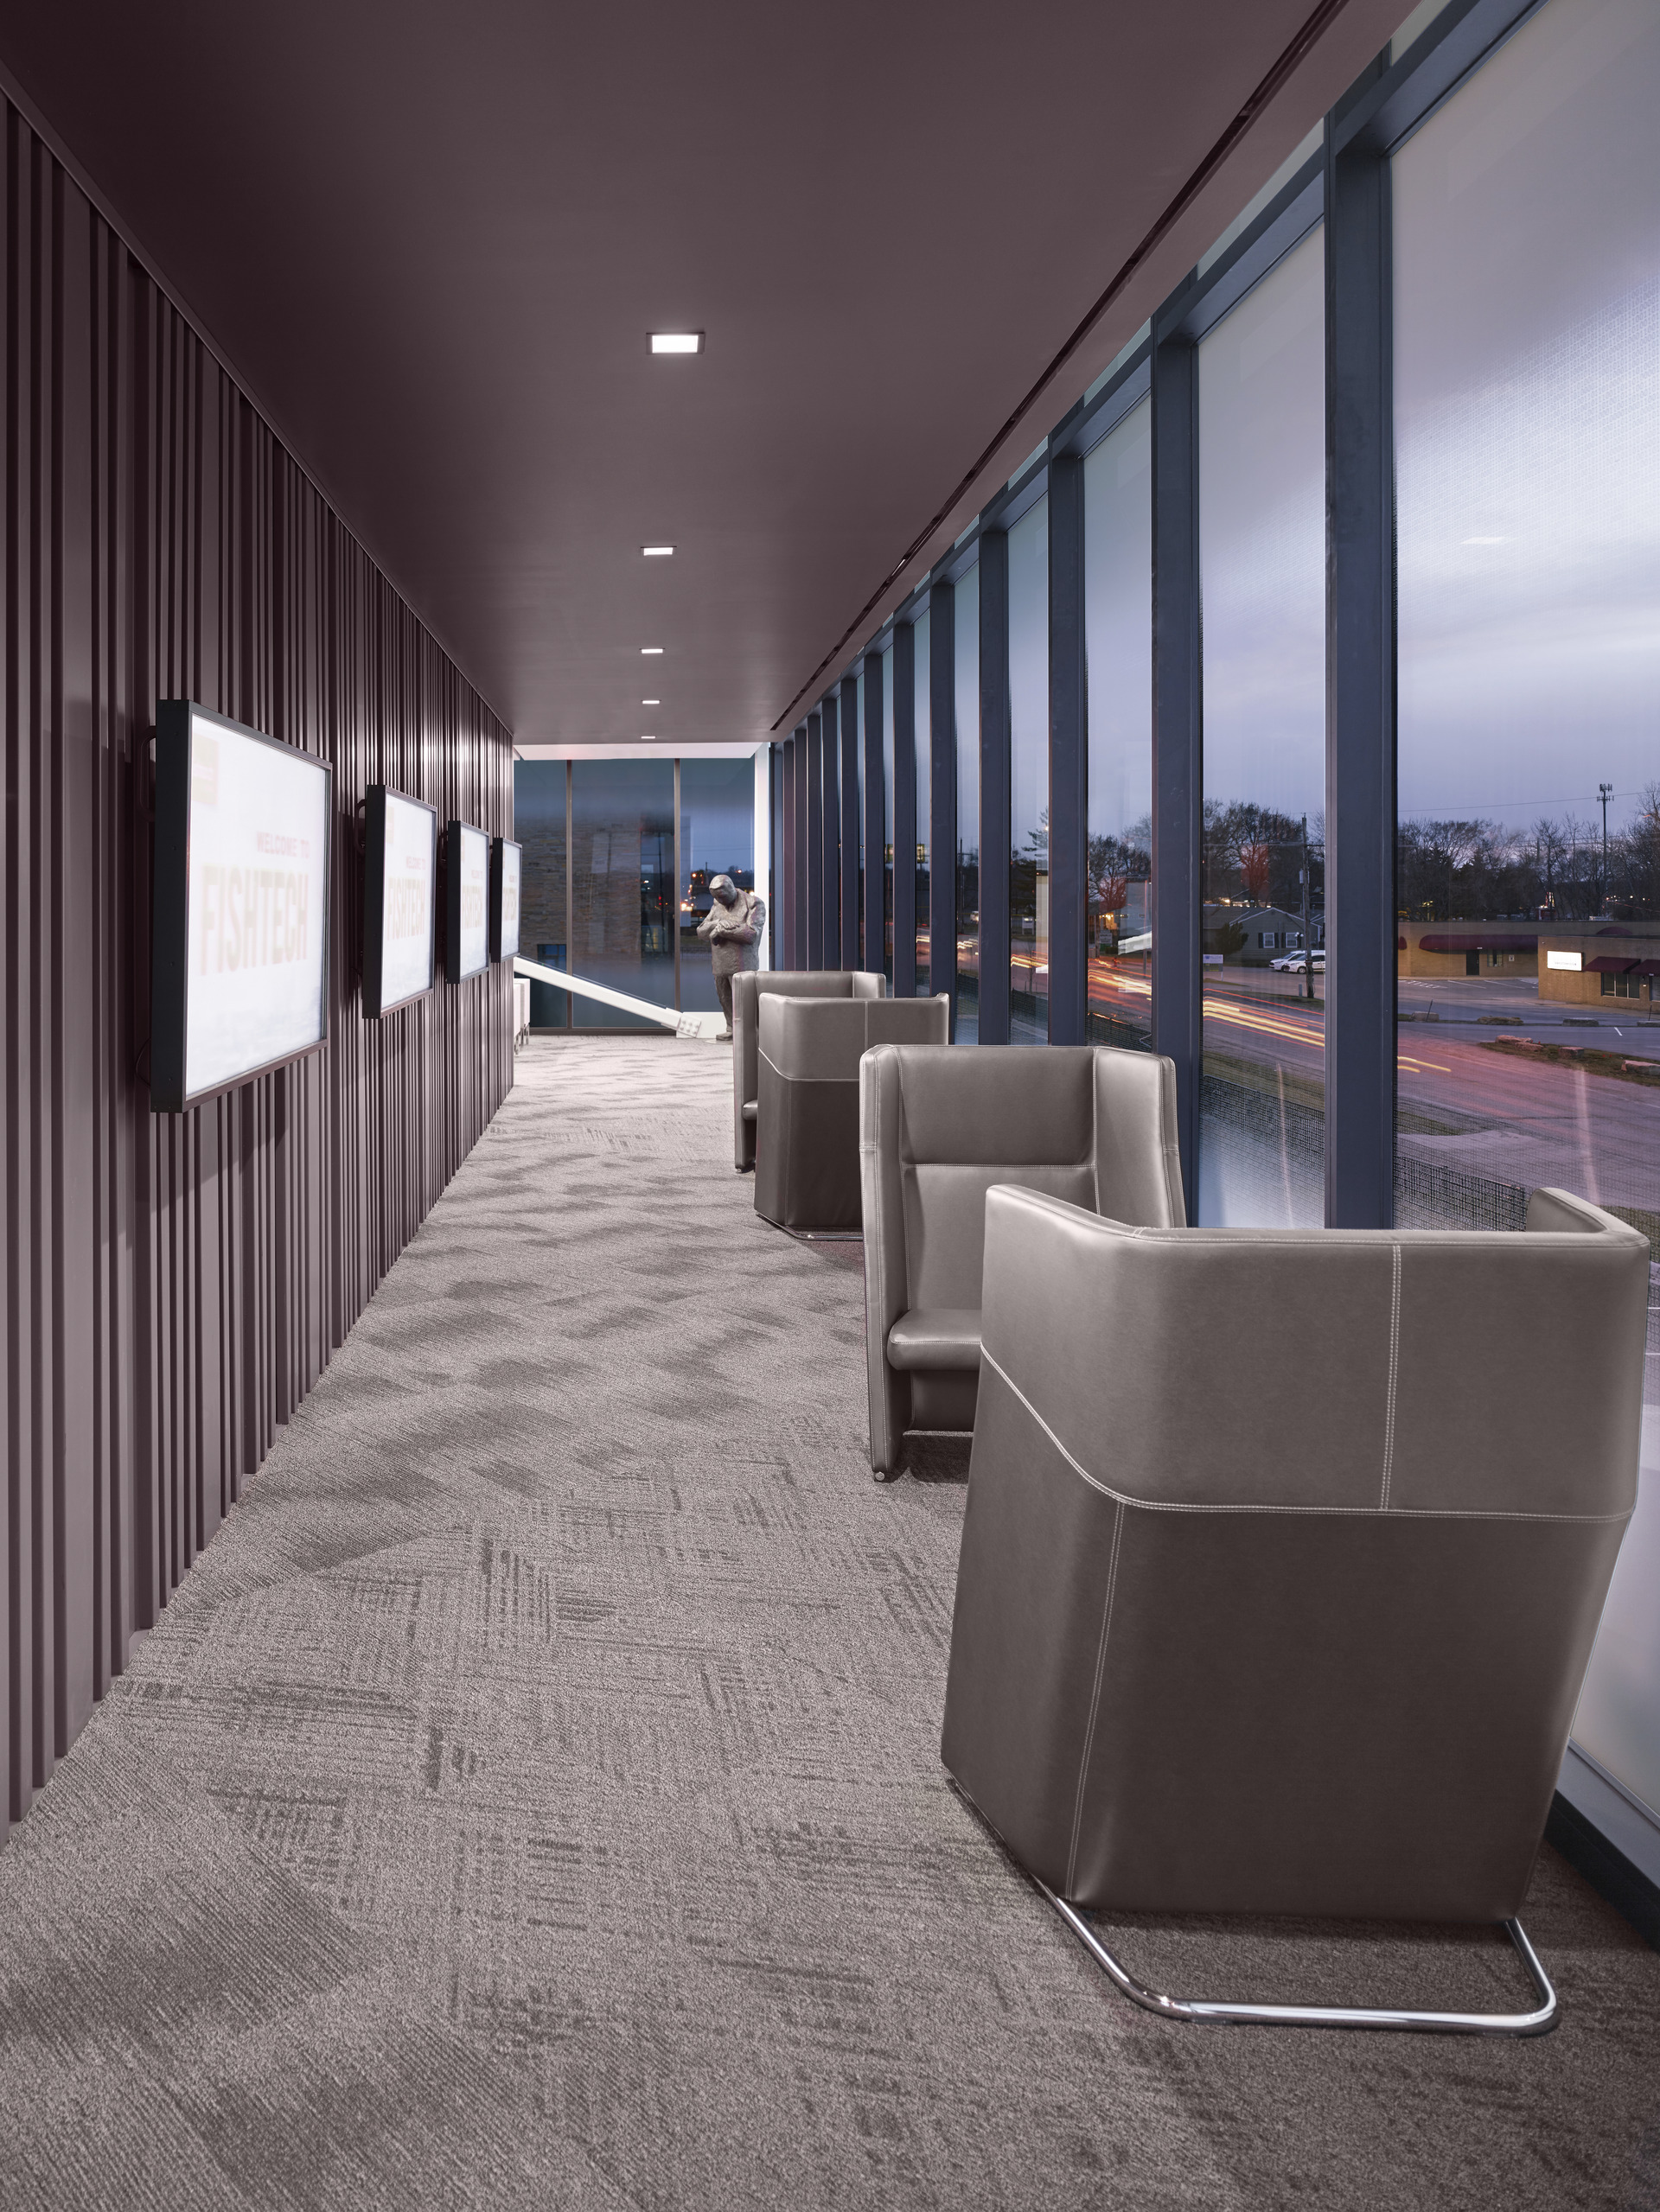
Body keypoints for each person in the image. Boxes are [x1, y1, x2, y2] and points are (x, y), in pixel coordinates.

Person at [696, 874, 765, 1036]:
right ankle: (731, 1029)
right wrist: (718, 924)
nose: (720, 902)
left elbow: (751, 934)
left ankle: (747, 1032)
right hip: (720, 963)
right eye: (716, 898)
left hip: (743, 963)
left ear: (732, 888)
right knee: (724, 998)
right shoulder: (717, 904)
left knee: (744, 1001)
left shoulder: (753, 903)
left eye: (722, 897)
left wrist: (722, 931)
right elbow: (701, 931)